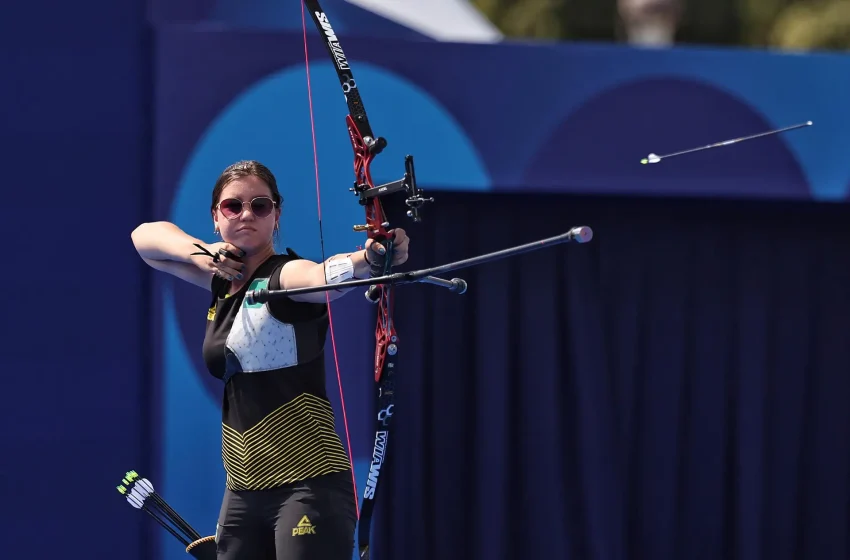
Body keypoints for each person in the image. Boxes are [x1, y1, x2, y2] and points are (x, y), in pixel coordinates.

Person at [131, 160, 410, 560]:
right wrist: (203, 255)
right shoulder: (221, 280)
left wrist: (369, 257)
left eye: (260, 206)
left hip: (309, 484)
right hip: (243, 492)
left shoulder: (285, 276)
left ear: (276, 215)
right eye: (233, 206)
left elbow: (320, 279)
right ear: (216, 217)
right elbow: (145, 239)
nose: (246, 214)